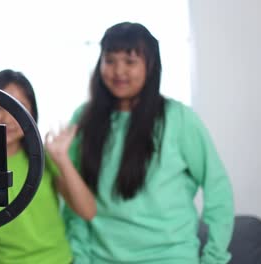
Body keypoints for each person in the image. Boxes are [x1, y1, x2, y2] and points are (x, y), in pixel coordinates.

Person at [53, 22, 234, 264]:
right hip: (99, 258)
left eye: (130, 62)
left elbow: (218, 189)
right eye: (110, 60)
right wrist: (81, 256)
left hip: (170, 257)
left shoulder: (179, 118)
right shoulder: (83, 119)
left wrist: (214, 257)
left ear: (150, 67)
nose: (118, 71)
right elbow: (75, 199)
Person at [0, 69, 96, 264]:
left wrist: (62, 158)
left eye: (18, 108)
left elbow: (87, 211)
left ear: (31, 114)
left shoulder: (43, 158)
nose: (7, 119)